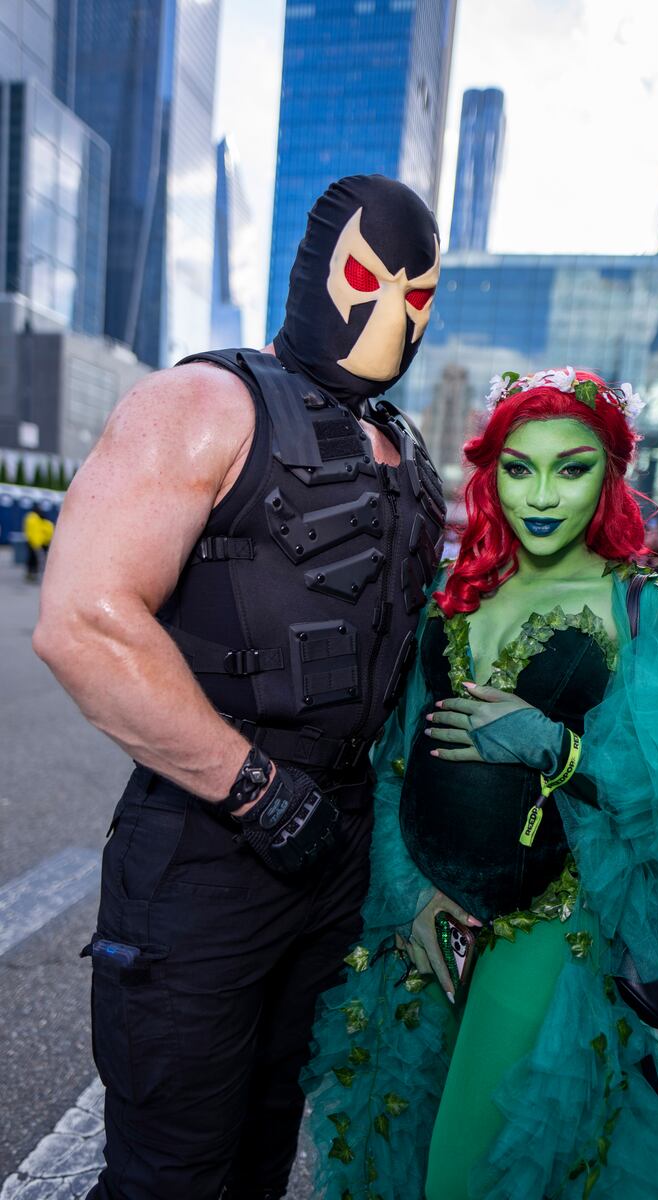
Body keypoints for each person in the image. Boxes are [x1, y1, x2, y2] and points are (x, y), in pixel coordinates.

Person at [33, 175, 445, 1200]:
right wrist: (252, 783)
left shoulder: (407, 451)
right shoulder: (200, 403)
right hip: (210, 846)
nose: (391, 313)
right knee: (171, 1169)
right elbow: (83, 619)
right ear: (315, 272)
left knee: (264, 1146)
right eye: (367, 278)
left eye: (418, 293)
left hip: (341, 854)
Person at [302, 366, 658, 1200]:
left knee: (471, 1169)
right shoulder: (450, 596)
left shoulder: (641, 606)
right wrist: (412, 895)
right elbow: (395, 769)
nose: (542, 494)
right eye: (519, 467)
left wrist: (556, 749)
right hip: (426, 915)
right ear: (490, 472)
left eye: (573, 467)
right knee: (402, 1154)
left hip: (553, 920)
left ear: (611, 476)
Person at [23, 502, 54, 581]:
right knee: (37, 559)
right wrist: (37, 543)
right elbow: (35, 533)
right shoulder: (36, 519)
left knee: (32, 559)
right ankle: (34, 575)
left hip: (34, 542)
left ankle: (31, 574)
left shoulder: (32, 518)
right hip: (37, 542)